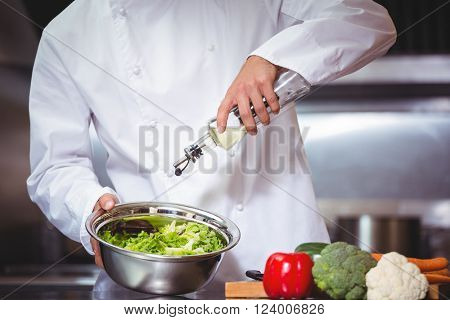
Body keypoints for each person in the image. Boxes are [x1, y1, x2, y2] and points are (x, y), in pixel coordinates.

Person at [28, 0, 396, 286]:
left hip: (283, 267)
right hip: (154, 276)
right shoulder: (68, 34)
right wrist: (90, 208)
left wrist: (271, 58)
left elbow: (368, 19)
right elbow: (54, 167)